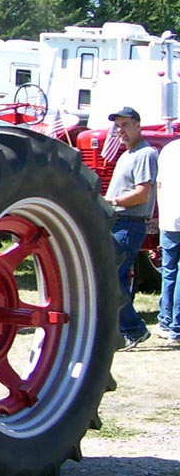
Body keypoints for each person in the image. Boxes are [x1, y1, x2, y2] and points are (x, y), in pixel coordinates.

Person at [105, 107, 159, 350]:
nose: (120, 131)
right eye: (117, 126)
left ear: (138, 125)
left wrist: (112, 201)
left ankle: (134, 329)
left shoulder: (145, 154)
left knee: (113, 277)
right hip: (118, 222)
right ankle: (120, 331)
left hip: (129, 223)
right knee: (119, 277)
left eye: (125, 125)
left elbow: (142, 194)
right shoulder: (126, 154)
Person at [155, 138, 180, 342]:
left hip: (168, 219)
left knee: (169, 272)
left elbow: (159, 186)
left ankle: (165, 320)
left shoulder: (168, 150)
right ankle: (176, 326)